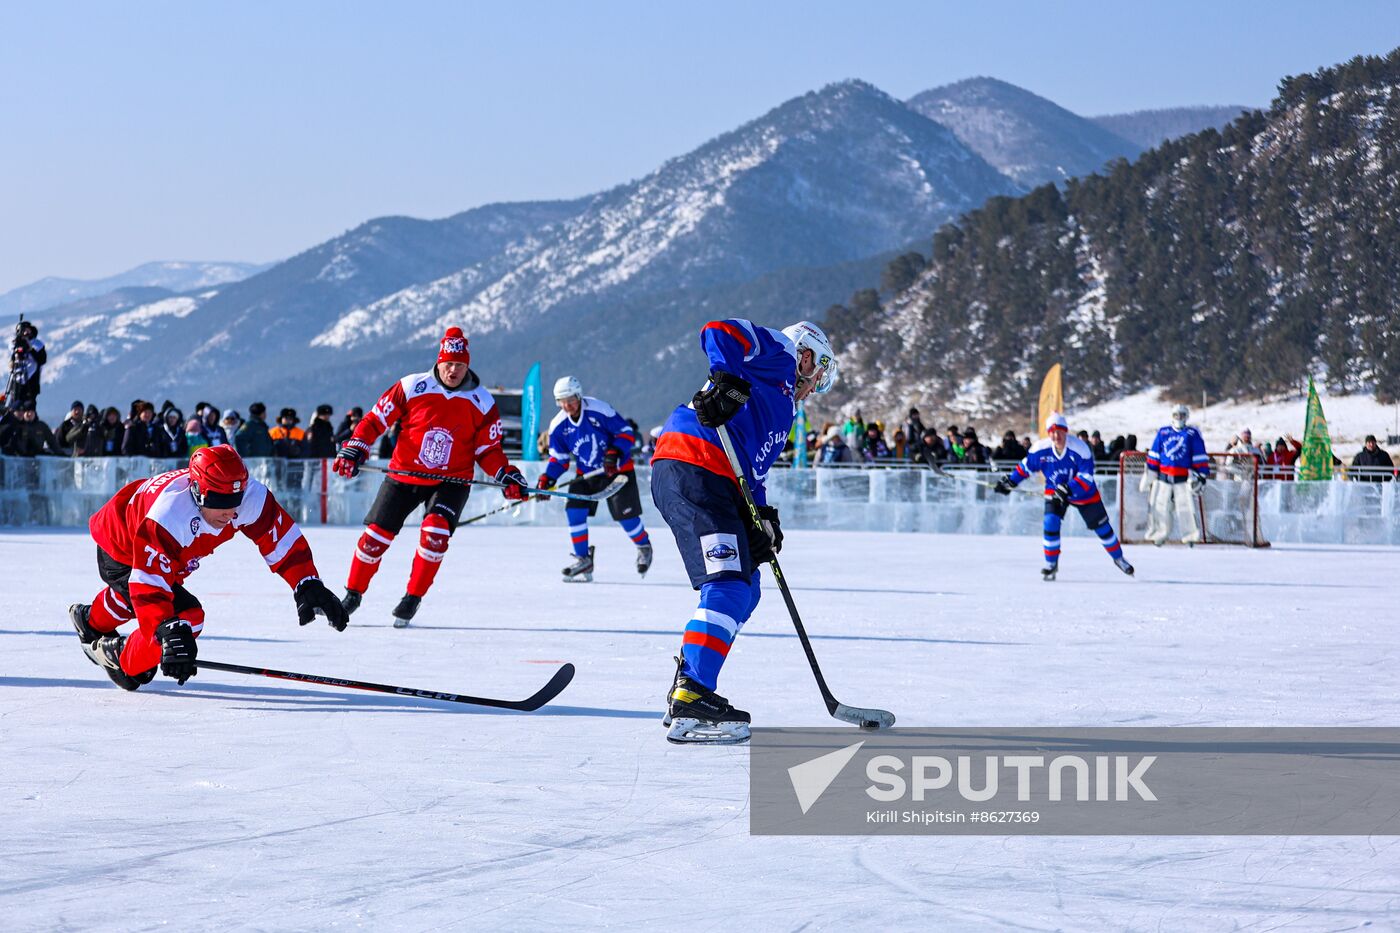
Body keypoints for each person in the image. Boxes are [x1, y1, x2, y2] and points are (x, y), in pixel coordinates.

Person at [650, 318, 836, 744]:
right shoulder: (780, 353)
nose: (817, 383)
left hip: (713, 476)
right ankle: (692, 692)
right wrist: (727, 378)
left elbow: (749, 467)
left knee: (747, 586)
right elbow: (719, 330)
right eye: (820, 370)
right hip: (696, 463)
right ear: (806, 355)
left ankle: (689, 679)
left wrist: (762, 516)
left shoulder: (784, 407)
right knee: (730, 587)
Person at [69, 445, 346, 690]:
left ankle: (89, 620)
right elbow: (149, 584)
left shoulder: (247, 497)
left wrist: (306, 582)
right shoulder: (170, 515)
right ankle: (123, 660)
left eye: (235, 502)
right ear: (198, 491)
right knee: (186, 618)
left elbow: (279, 537)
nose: (231, 513)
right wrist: (166, 630)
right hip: (122, 543)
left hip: (171, 552)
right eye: (220, 503)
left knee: (136, 604)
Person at [332, 327, 529, 628]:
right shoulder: (412, 386)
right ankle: (353, 595)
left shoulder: (483, 401)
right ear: (438, 361)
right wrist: (355, 447)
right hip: (404, 475)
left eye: (459, 365)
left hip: (452, 482)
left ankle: (412, 598)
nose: (453, 370)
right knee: (375, 538)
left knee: (435, 534)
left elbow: (489, 450)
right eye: (448, 363)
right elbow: (374, 420)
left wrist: (507, 474)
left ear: (468, 365)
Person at [536, 376, 652, 581]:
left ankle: (643, 545)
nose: (567, 405)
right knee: (574, 511)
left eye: (570, 399)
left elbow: (625, 433)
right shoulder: (558, 426)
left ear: (579, 396)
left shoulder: (599, 410)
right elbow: (560, 459)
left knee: (625, 517)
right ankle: (583, 560)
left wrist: (614, 453)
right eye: (561, 401)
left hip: (617, 471)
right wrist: (548, 478)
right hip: (587, 473)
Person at [995, 412, 1134, 580]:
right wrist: (1010, 482)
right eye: (1052, 432)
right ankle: (1051, 563)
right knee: (1050, 522)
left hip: (1083, 493)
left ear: (1066, 431)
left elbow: (1087, 477)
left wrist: (1069, 488)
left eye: (1059, 431)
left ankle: (1119, 558)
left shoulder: (1080, 449)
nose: (1056, 435)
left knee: (1102, 528)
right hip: (1054, 492)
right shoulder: (1040, 449)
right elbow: (1025, 468)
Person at [1143, 403, 1211, 545]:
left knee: (1186, 509)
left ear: (1186, 417)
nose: (1179, 418)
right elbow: (1155, 453)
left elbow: (1199, 454)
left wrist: (1202, 474)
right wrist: (1150, 472)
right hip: (1163, 477)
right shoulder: (1163, 432)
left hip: (1182, 479)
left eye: (1182, 415)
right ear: (1172, 416)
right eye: (1176, 415)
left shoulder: (1192, 434)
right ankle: (1159, 535)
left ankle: (1190, 536)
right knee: (1159, 507)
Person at [6, 320, 46, 410]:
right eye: (23, 331)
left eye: (27, 330)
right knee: (14, 406)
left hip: (31, 382)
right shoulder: (16, 345)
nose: (25, 333)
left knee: (28, 407)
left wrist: (30, 350)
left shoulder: (37, 345)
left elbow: (42, 360)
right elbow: (12, 360)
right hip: (17, 381)